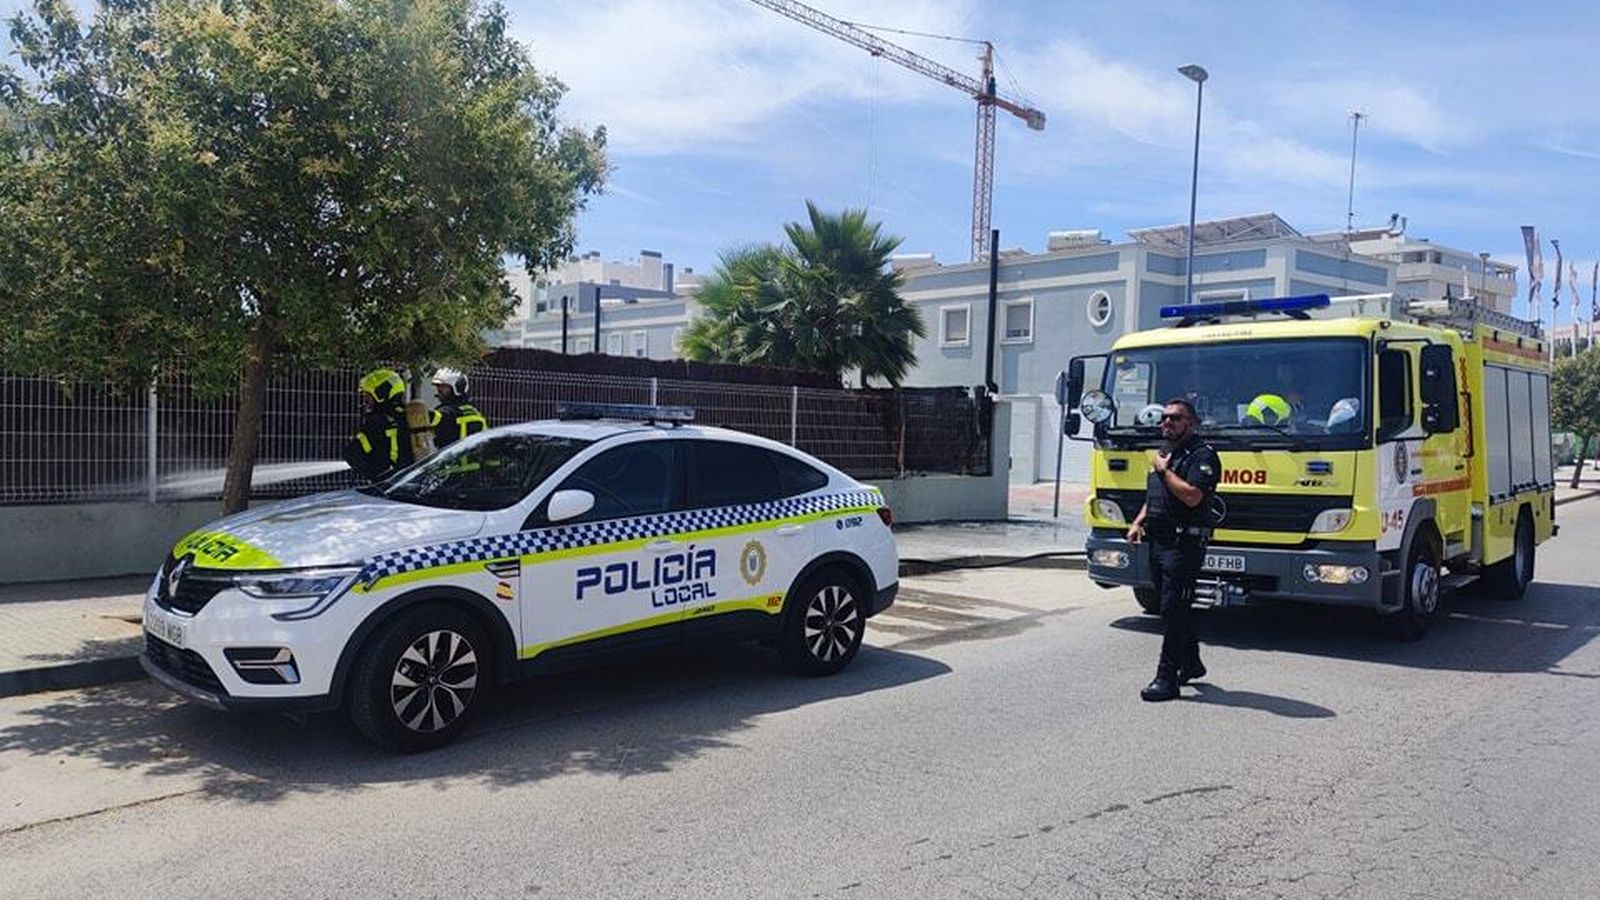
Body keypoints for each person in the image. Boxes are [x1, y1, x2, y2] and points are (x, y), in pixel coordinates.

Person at [1126, 397, 1221, 702]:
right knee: (1173, 607)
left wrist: (1164, 471)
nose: (1167, 422)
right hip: (1158, 540)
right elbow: (1156, 494)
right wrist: (1138, 522)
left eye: (1175, 418)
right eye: (1164, 418)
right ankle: (1191, 662)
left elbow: (1192, 496)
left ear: (1189, 423)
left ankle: (1166, 679)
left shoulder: (1202, 455)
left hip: (1184, 544)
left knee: (1172, 607)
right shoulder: (1165, 453)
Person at [343, 368, 414, 481]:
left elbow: (352, 452)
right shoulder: (408, 415)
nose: (365, 400)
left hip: (385, 483)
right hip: (408, 479)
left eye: (368, 396)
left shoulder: (377, 421)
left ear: (383, 393)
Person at [428, 367, 488, 449]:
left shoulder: (448, 412)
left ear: (457, 388)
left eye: (443, 387)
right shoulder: (475, 411)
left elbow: (431, 418)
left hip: (452, 461)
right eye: (438, 387)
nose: (439, 391)